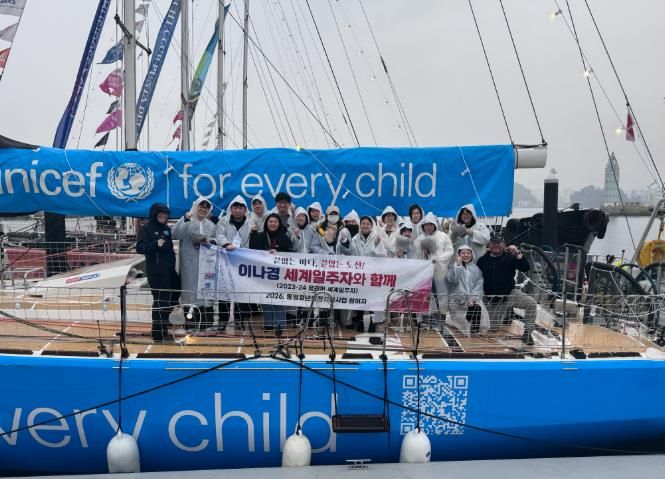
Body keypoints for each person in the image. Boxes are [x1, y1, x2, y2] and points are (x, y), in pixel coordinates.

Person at [476, 236, 536, 344]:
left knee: (531, 303)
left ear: (503, 245)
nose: (496, 245)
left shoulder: (511, 257)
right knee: (493, 328)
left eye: (498, 243)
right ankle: (507, 314)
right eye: (493, 243)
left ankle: (527, 333)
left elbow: (525, 267)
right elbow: (476, 280)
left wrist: (517, 253)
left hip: (510, 294)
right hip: (492, 299)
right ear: (489, 245)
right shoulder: (482, 260)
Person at [136, 203, 180, 342]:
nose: (163, 216)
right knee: (161, 300)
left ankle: (165, 322)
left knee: (175, 293)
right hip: (156, 271)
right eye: (161, 214)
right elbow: (140, 247)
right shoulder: (146, 229)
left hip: (169, 271)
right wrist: (155, 244)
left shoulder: (166, 229)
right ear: (154, 214)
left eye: (166, 214)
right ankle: (158, 332)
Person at [172, 197, 217, 331]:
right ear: (195, 206)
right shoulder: (187, 220)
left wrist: (209, 242)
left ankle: (207, 324)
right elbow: (176, 233)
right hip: (189, 265)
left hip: (206, 265)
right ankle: (191, 324)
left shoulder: (211, 225)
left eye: (206, 208)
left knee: (206, 292)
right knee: (190, 292)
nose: (203, 210)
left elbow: (215, 240)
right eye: (200, 207)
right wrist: (186, 219)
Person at [337, 215, 387, 331]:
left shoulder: (376, 238)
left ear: (371, 226)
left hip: (372, 274)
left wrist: (377, 245)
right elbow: (349, 253)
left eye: (368, 224)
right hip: (359, 274)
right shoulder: (355, 239)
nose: (365, 226)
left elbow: (382, 256)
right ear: (360, 225)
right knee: (360, 298)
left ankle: (372, 323)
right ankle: (360, 321)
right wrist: (344, 241)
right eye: (363, 223)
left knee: (372, 300)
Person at [249, 213, 293, 332]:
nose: (272, 224)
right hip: (263, 273)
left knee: (278, 298)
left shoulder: (284, 237)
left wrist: (278, 252)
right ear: (266, 223)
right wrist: (252, 235)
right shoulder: (259, 236)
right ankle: (268, 323)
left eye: (275, 222)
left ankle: (279, 324)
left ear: (279, 224)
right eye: (270, 221)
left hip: (279, 273)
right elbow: (252, 250)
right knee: (265, 298)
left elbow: (290, 253)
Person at [215, 195, 253, 331]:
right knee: (224, 291)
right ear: (231, 209)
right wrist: (227, 244)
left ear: (245, 210)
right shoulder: (223, 221)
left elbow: (250, 241)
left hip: (242, 262)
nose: (238, 210)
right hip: (225, 260)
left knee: (241, 291)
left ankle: (239, 319)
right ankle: (223, 320)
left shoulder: (249, 223)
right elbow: (219, 235)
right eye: (235, 207)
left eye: (241, 208)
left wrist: (242, 252)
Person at [414, 212, 454, 320]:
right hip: (425, 273)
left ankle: (440, 318)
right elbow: (416, 256)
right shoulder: (419, 239)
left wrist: (439, 259)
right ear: (423, 226)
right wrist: (423, 253)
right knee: (426, 294)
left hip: (440, 271)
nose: (428, 227)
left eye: (430, 224)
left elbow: (449, 251)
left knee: (441, 293)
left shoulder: (443, 236)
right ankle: (426, 319)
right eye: (426, 225)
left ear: (435, 225)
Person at [446, 245, 489, 336]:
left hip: (472, 301)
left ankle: (474, 332)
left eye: (468, 253)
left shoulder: (476, 269)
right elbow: (453, 280)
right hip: (457, 301)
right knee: (460, 323)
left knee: (477, 309)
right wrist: (458, 266)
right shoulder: (453, 267)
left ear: (472, 254)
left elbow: (479, 286)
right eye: (463, 253)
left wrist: (473, 298)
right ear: (458, 255)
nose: (466, 255)